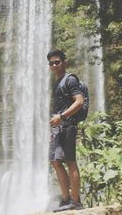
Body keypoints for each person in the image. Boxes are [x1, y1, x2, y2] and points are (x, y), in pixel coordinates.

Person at [47, 50, 84, 211]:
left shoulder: (69, 80)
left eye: (57, 62)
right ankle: (65, 199)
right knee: (55, 161)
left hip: (67, 126)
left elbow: (80, 101)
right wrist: (54, 127)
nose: (54, 65)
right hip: (59, 128)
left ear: (64, 63)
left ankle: (75, 202)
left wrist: (61, 117)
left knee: (70, 161)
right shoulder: (57, 82)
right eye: (51, 63)